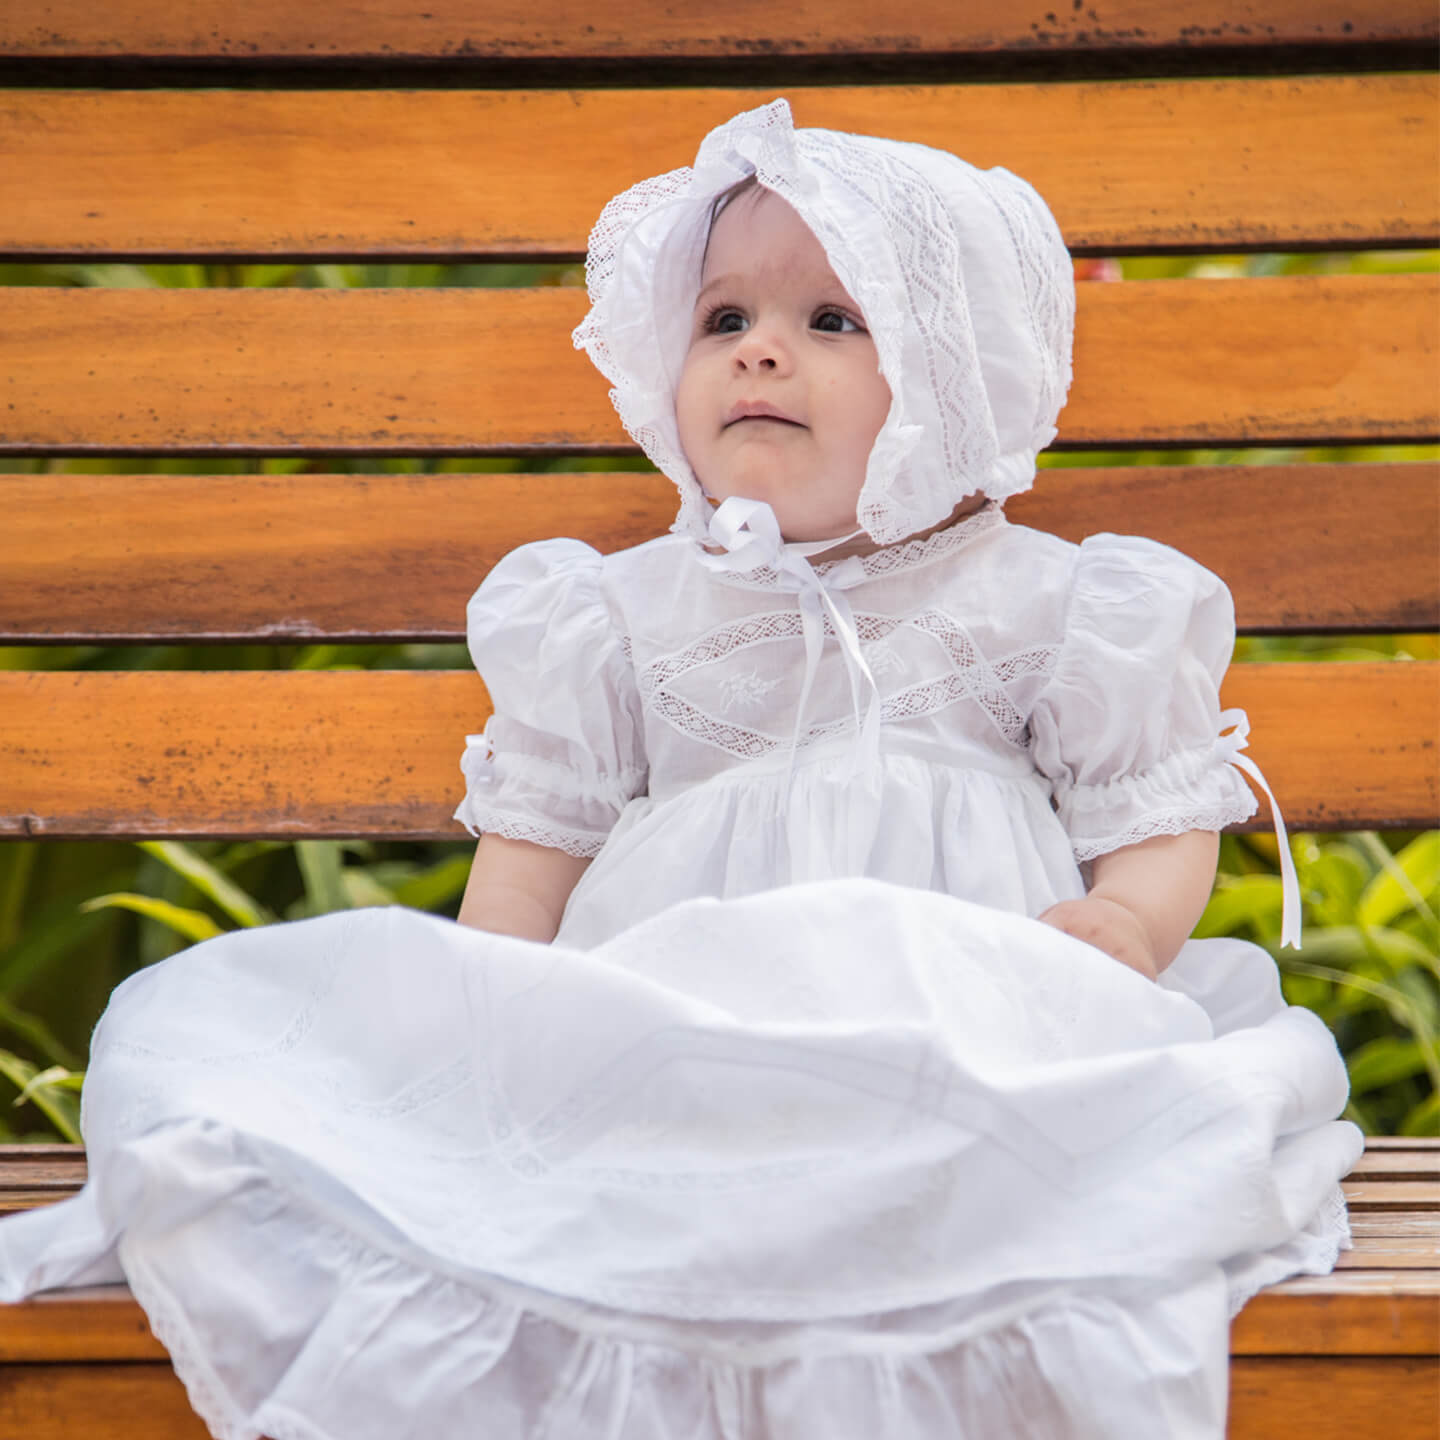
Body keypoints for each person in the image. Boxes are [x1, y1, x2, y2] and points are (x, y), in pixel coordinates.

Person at [0, 99, 1360, 1438]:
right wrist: (495, 1017)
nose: (760, 354)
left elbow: (1155, 806)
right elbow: (537, 852)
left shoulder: (1050, 604)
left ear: (959, 376)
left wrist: (1123, 924)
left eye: (832, 320)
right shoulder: (623, 611)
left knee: (992, 1169)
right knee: (562, 1154)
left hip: (966, 1029)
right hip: (663, 1038)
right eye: (725, 320)